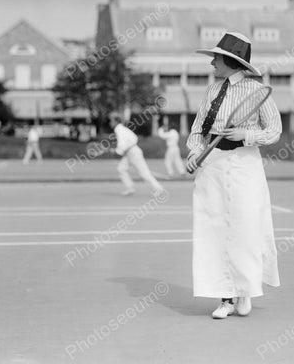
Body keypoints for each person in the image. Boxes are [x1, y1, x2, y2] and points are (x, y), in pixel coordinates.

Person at [186, 32, 281, 319]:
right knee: (213, 231)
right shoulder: (212, 92)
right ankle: (225, 298)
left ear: (230, 61)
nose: (212, 62)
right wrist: (193, 153)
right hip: (212, 166)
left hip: (245, 164)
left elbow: (274, 131)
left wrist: (246, 134)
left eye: (216, 57)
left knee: (245, 228)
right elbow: (197, 129)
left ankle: (245, 291)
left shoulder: (257, 90)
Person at [109, 113, 165, 196]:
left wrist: (117, 151)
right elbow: (125, 143)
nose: (110, 123)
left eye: (111, 121)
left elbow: (122, 144)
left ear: (116, 121)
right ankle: (130, 188)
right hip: (129, 152)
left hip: (133, 152)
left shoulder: (119, 129)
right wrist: (117, 150)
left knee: (144, 173)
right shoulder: (121, 129)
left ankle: (159, 189)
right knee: (121, 169)